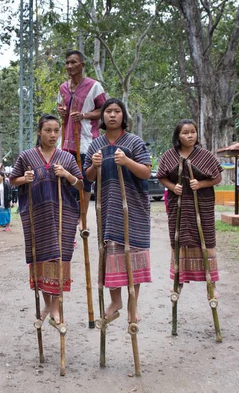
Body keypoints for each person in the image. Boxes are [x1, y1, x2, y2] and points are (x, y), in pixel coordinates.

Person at [84, 98, 152, 322]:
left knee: (133, 254)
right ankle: (116, 300)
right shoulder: (95, 145)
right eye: (108, 111)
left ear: (124, 116)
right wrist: (94, 165)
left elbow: (145, 172)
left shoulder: (134, 142)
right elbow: (88, 178)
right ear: (102, 117)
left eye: (117, 111)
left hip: (134, 207)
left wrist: (127, 161)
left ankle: (133, 307)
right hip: (108, 208)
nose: (112, 115)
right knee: (111, 251)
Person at [11, 114, 83, 323]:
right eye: (48, 130)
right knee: (41, 260)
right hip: (37, 217)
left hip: (63, 217)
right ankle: (49, 305)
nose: (53, 135)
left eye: (56, 130)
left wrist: (67, 175)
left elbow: (80, 184)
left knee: (59, 259)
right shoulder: (26, 156)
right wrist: (26, 178)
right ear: (39, 132)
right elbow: (13, 180)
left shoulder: (67, 158)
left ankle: (54, 308)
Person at [156, 119, 223, 299]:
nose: (190, 135)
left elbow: (217, 178)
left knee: (206, 240)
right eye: (185, 132)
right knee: (179, 239)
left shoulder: (205, 156)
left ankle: (211, 285)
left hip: (202, 206)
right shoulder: (169, 156)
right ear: (178, 136)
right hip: (178, 206)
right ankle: (177, 282)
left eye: (193, 132)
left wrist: (201, 184)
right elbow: (161, 177)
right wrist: (172, 187)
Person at [57, 49, 107, 217]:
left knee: (84, 181)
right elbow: (60, 107)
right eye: (67, 63)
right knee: (66, 181)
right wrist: (62, 112)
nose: (69, 66)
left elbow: (104, 110)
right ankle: (69, 217)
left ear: (82, 65)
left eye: (73, 62)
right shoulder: (63, 87)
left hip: (87, 141)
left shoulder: (94, 86)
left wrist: (84, 115)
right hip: (65, 142)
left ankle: (82, 218)